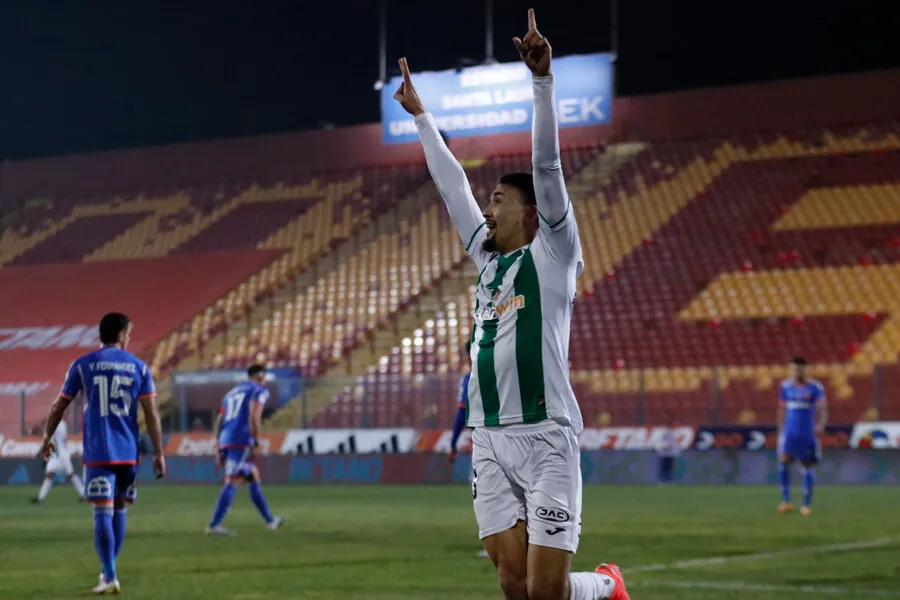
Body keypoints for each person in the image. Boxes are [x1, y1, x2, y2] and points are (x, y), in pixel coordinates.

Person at [393, 9, 629, 599]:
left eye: (497, 199)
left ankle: (605, 586)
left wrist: (542, 83)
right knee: (513, 584)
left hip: (547, 436)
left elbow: (547, 168)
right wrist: (423, 119)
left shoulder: (552, 252)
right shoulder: (489, 260)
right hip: (490, 438)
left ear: (528, 214)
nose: (486, 207)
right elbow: (451, 189)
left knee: (547, 594)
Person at [41, 312, 165, 595]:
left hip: (98, 451)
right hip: (129, 452)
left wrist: (47, 436)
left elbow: (59, 405)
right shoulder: (139, 367)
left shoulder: (82, 365)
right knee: (119, 509)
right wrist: (159, 452)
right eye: (129, 333)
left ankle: (109, 574)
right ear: (122, 334)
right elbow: (152, 415)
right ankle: (108, 571)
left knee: (101, 512)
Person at [206, 364, 284, 535]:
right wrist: (256, 440)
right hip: (241, 440)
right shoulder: (259, 391)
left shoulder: (231, 393)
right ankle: (214, 525)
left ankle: (270, 520)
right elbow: (254, 416)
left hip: (227, 439)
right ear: (260, 378)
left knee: (252, 475)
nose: (263, 382)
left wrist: (218, 445)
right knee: (233, 480)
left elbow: (219, 420)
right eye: (262, 379)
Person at [777, 356, 827, 516]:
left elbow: (822, 408)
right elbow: (782, 409)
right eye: (793, 368)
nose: (796, 371)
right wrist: (780, 429)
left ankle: (806, 504)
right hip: (789, 433)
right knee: (784, 463)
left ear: (806, 369)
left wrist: (820, 425)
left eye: (799, 368)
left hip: (806, 433)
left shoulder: (815, 387)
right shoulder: (785, 386)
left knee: (806, 467)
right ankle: (786, 501)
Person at [31, 418, 85, 503]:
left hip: (62, 456)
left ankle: (83, 494)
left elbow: (51, 436)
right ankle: (40, 498)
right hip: (56, 456)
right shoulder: (60, 423)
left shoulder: (60, 424)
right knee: (49, 475)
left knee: (70, 475)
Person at [656, 414, 680, 486]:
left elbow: (674, 443)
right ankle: (662, 481)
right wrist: (664, 446)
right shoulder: (664, 432)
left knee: (669, 467)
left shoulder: (673, 432)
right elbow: (660, 441)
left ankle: (669, 481)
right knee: (664, 467)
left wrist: (675, 451)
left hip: (671, 453)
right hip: (664, 453)